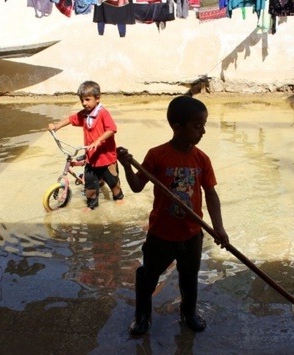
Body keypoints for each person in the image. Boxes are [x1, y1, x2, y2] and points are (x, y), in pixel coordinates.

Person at [117, 95, 230, 336]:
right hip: (161, 234)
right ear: (177, 128)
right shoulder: (157, 155)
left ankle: (188, 313)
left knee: (189, 278)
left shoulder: (202, 160)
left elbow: (211, 195)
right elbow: (137, 186)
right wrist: (127, 166)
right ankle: (142, 316)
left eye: (204, 124)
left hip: (191, 235)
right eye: (197, 126)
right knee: (149, 276)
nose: (203, 131)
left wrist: (218, 227)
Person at [48, 80, 124, 209]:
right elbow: (71, 119)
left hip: (106, 159)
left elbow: (112, 129)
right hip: (91, 159)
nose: (84, 103)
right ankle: (91, 206)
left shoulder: (103, 113)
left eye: (87, 100)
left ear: (97, 99)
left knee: (114, 184)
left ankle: (119, 198)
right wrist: (56, 126)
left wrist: (98, 140)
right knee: (89, 187)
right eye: (82, 100)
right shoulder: (85, 114)